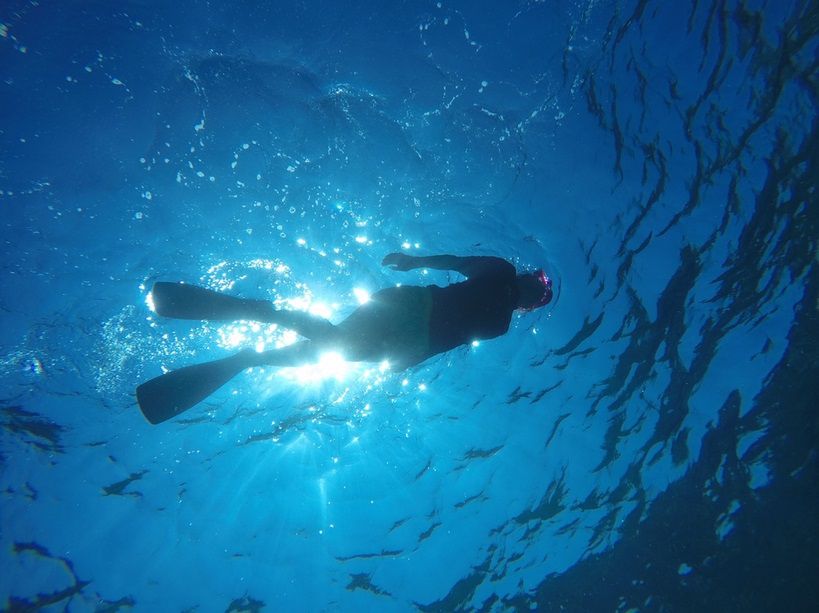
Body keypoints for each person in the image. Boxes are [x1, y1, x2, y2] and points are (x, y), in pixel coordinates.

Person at [137, 253, 553, 424]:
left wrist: (406, 362)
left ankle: (250, 356)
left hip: (406, 345)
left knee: (329, 348)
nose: (538, 289)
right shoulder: (499, 270)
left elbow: (455, 341)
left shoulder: (502, 326)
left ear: (531, 307)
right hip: (409, 309)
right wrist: (415, 262)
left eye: (542, 294)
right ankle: (263, 314)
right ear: (526, 275)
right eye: (539, 281)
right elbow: (458, 263)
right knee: (334, 342)